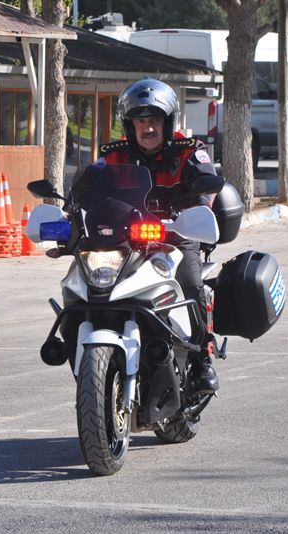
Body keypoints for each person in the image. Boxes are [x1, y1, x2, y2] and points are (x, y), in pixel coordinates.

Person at [96, 78, 223, 394]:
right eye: (140, 121)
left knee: (192, 284)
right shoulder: (114, 156)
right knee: (90, 280)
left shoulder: (189, 152)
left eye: (154, 120)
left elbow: (206, 187)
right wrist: (71, 219)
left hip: (177, 237)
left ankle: (203, 360)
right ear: (130, 125)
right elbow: (88, 192)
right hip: (124, 242)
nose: (147, 128)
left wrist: (194, 212)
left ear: (167, 123)